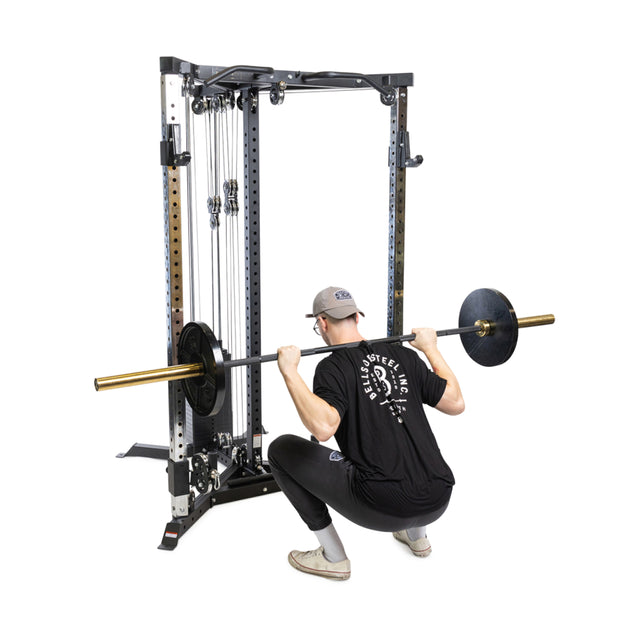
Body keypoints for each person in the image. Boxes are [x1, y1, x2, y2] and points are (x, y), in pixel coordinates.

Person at [268, 286, 464, 580]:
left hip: (380, 505)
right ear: (356, 317)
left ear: (322, 323)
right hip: (439, 498)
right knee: (402, 440)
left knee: (281, 449)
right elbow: (456, 402)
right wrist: (430, 348)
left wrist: (290, 372)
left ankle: (333, 557)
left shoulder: (331, 368)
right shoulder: (403, 356)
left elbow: (323, 428)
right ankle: (417, 537)